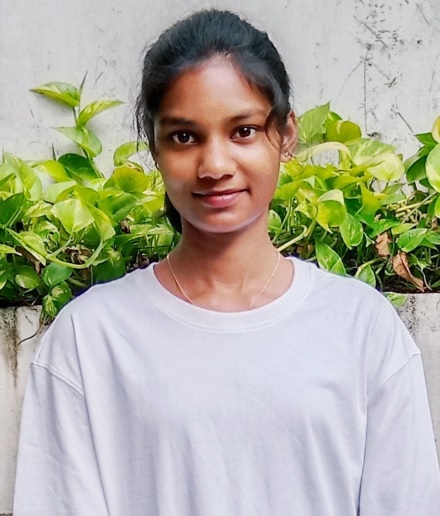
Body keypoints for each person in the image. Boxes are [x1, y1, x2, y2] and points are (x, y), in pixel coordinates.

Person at [14, 9, 440, 516]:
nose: (215, 165)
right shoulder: (90, 339)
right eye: (185, 136)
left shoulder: (362, 328)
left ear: (286, 134)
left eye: (243, 131)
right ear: (154, 148)